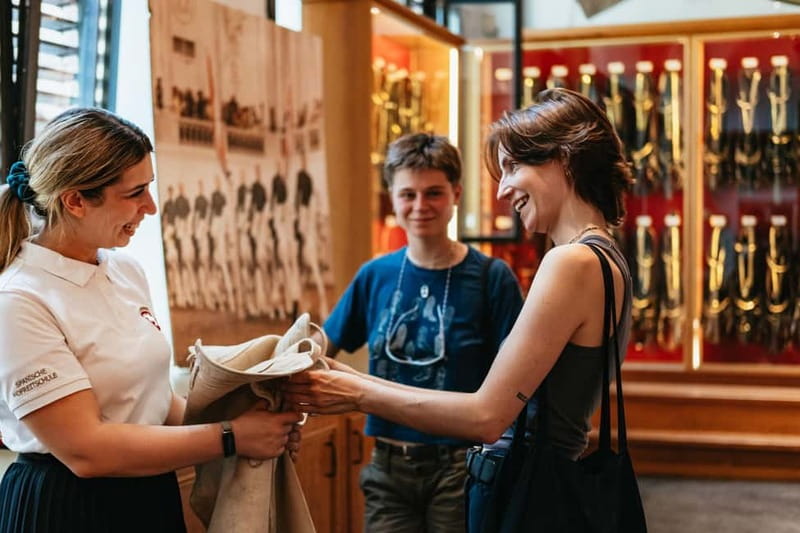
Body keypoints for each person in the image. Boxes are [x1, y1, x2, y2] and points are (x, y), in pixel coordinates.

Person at [282, 89, 634, 532]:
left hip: (531, 496)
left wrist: (352, 393)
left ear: (562, 159)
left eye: (511, 167)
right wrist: (347, 377)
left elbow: (485, 416)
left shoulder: (570, 261)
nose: (503, 189)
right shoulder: (604, 255)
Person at [0, 108, 303, 533]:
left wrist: (252, 418)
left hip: (148, 494)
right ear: (75, 201)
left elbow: (152, 404)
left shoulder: (125, 270)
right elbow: (86, 451)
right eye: (135, 192)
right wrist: (231, 436)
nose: (151, 206)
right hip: (65, 505)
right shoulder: (18, 299)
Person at [314, 133, 524, 532]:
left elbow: (520, 385)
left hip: (461, 467)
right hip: (388, 468)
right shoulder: (375, 275)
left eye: (433, 193)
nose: (420, 206)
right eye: (407, 194)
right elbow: (322, 345)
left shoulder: (491, 279)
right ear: (391, 197)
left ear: (456, 193)